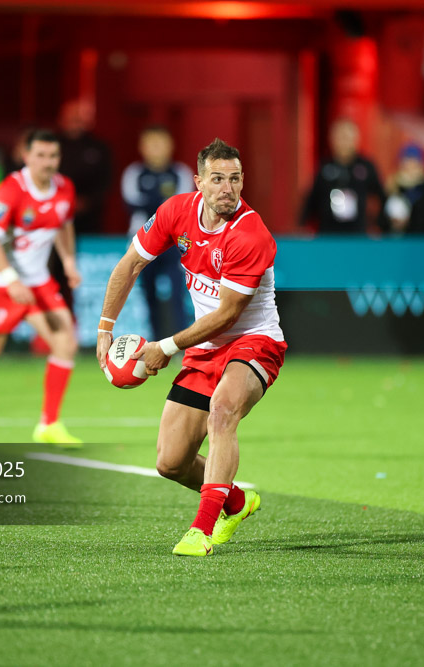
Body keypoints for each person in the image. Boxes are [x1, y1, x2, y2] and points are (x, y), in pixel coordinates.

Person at [97, 138, 286, 557]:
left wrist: (165, 346)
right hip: (204, 348)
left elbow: (227, 316)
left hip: (254, 342)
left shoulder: (250, 234)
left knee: (222, 413)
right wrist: (104, 329)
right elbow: (129, 265)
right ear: (198, 181)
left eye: (235, 179)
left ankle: (200, 530)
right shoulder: (175, 212)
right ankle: (235, 503)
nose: (227, 188)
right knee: (171, 462)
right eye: (217, 179)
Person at [0, 129, 83, 447]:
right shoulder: (12, 190)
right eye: (40, 155)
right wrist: (11, 279)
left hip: (37, 282)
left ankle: (48, 425)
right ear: (25, 156)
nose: (47, 162)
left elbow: (64, 224)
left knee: (65, 342)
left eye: (53, 156)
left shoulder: (65, 188)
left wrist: (68, 262)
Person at [120, 124, 194, 338]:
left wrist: (155, 204)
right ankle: (154, 340)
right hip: (142, 241)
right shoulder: (134, 173)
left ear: (171, 146)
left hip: (173, 241)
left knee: (178, 292)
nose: (156, 149)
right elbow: (132, 203)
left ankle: (181, 342)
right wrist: (163, 205)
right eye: (151, 144)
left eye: (160, 144)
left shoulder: (181, 173)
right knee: (148, 293)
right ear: (142, 147)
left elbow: (181, 206)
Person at [298, 118, 386, 234]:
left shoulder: (366, 166)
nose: (344, 142)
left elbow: (382, 196)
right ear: (332, 140)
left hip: (357, 233)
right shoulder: (325, 167)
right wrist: (303, 225)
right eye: (340, 137)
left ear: (356, 140)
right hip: (328, 233)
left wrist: (380, 225)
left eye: (347, 138)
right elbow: (312, 199)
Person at [57, 99, 112, 234]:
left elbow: (106, 179)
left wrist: (87, 201)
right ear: (62, 119)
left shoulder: (99, 148)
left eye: (78, 119)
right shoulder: (53, 146)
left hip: (90, 216)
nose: (74, 123)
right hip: (56, 212)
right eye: (71, 118)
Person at [381, 144, 424, 235]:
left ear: (421, 166)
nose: (409, 166)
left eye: (413, 163)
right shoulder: (392, 190)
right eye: (406, 161)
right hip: (395, 245)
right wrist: (392, 224)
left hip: (420, 245)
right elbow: (381, 222)